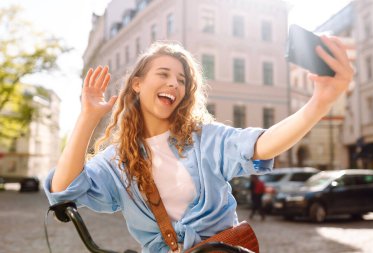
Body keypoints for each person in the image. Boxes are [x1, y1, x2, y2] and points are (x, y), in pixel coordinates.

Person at [44, 38, 353, 252]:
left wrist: (319, 102)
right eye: (163, 74)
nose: (174, 84)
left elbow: (262, 144)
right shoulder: (117, 160)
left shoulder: (206, 138)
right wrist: (86, 117)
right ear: (137, 85)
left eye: (181, 80)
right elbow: (63, 188)